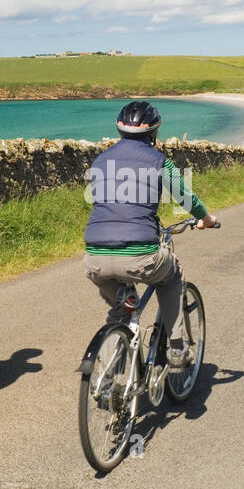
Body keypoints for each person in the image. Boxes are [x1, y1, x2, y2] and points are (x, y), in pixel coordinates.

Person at [83, 101, 217, 367]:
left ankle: (107, 380)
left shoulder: (100, 160)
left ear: (120, 130)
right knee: (171, 275)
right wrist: (207, 218)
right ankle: (177, 347)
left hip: (94, 257)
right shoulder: (158, 161)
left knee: (121, 310)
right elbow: (185, 198)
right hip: (140, 255)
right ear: (153, 133)